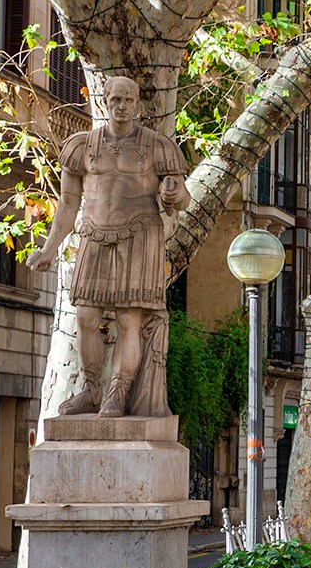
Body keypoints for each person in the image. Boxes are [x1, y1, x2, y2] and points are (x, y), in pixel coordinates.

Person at [27, 76, 190, 417]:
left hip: (140, 237)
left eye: (128, 100)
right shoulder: (81, 146)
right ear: (104, 100)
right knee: (86, 316)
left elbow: (182, 198)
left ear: (136, 104)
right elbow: (68, 204)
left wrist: (175, 195)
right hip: (95, 234)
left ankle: (118, 394)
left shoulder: (156, 146)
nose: (121, 105)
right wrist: (49, 248)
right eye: (115, 99)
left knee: (128, 320)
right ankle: (91, 389)